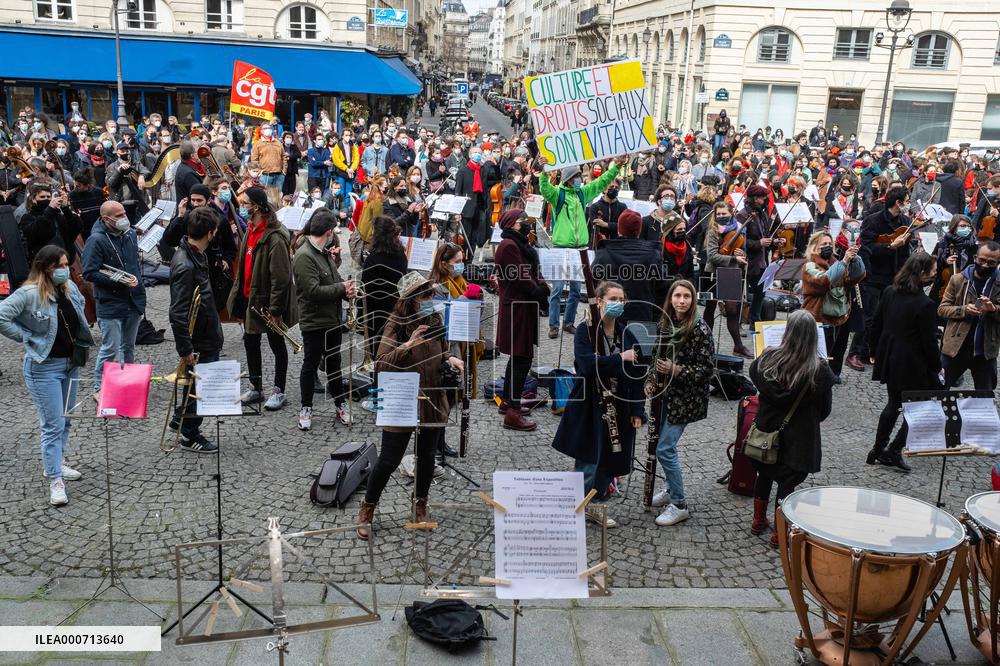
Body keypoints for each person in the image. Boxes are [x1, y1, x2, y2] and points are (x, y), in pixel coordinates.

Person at [356, 272, 464, 540]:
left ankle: (420, 504)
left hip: (433, 394)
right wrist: (408, 344)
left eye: (430, 293)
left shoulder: (435, 317)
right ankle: (367, 509)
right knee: (389, 460)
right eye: (424, 294)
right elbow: (381, 363)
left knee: (427, 455)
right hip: (401, 398)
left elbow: (444, 348)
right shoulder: (395, 323)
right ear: (411, 299)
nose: (430, 298)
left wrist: (451, 359)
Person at [0, 245, 94, 505]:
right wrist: (27, 337)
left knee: (66, 420)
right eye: (61, 266)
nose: (66, 270)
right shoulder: (29, 294)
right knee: (52, 424)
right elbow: (2, 315)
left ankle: (56, 463)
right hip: (43, 368)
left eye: (67, 265)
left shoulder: (70, 288)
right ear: (46, 268)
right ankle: (55, 479)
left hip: (70, 364)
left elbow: (80, 311)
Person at [552, 280, 642, 528]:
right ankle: (583, 505)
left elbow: (637, 374)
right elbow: (587, 366)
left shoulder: (627, 333)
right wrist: (618, 358)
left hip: (619, 405)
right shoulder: (585, 331)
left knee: (611, 459)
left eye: (622, 300)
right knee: (590, 457)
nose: (618, 304)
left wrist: (637, 410)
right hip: (590, 404)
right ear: (599, 302)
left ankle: (595, 501)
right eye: (613, 299)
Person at [749, 309, 834, 545]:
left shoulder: (767, 359)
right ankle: (778, 533)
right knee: (787, 483)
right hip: (799, 439)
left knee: (764, 474)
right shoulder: (820, 370)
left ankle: (758, 520)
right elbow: (825, 411)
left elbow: (755, 376)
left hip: (767, 435)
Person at [644, 279, 715, 527]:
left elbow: (707, 370)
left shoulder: (700, 328)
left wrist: (676, 369)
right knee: (659, 444)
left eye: (686, 296)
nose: (681, 301)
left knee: (664, 448)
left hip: (685, 399)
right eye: (677, 296)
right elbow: (655, 354)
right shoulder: (666, 321)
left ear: (693, 299)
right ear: (671, 298)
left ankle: (680, 503)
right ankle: (669, 489)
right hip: (665, 395)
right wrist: (650, 379)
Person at [868, 252, 940, 472]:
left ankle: (878, 449)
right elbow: (929, 343)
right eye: (933, 271)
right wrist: (937, 367)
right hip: (913, 364)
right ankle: (894, 449)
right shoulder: (925, 304)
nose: (935, 275)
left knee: (893, 403)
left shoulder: (890, 292)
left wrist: (874, 350)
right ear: (922, 274)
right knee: (920, 409)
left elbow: (876, 323)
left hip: (891, 357)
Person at [228, 187, 296, 411]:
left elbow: (281, 277)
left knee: (277, 344)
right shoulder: (250, 229)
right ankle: (256, 386)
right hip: (251, 299)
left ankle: (279, 390)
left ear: (256, 207)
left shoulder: (275, 238)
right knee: (250, 342)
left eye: (245, 203)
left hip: (268, 302)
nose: (242, 206)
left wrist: (276, 310)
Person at [539, 157, 623, 338]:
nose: (580, 179)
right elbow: (544, 188)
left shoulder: (582, 193)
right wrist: (545, 170)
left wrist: (617, 167)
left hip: (580, 250)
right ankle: (554, 325)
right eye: (577, 176)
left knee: (576, 290)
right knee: (557, 289)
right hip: (561, 248)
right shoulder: (557, 195)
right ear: (569, 178)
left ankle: (568, 322)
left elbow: (602, 182)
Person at [165, 206, 223, 453]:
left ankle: (181, 418)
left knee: (195, 384)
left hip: (206, 333)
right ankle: (189, 434)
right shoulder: (186, 264)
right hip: (200, 340)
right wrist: (185, 349)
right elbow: (177, 313)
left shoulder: (195, 254)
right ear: (211, 233)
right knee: (201, 387)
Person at [292, 210, 356, 431]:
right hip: (314, 322)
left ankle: (340, 404)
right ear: (328, 232)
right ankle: (306, 407)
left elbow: (334, 280)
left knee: (334, 365)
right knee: (310, 365)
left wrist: (346, 290)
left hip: (331, 320)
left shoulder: (323, 252)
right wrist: (341, 288)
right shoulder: (304, 256)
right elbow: (312, 291)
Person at [81, 201, 145, 395]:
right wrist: (120, 281)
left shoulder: (130, 234)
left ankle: (128, 384)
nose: (124, 218)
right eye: (119, 216)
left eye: (124, 213)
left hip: (133, 300)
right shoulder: (96, 240)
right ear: (106, 219)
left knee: (129, 347)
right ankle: (100, 388)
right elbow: (89, 273)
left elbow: (134, 263)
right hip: (110, 303)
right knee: (110, 349)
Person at [494, 209, 549, 431]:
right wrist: (540, 289)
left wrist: (541, 284)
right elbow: (520, 276)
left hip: (523, 306)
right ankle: (513, 412)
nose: (526, 224)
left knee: (519, 356)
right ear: (511, 225)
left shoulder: (518, 244)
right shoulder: (508, 245)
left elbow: (532, 272)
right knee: (523, 357)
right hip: (518, 307)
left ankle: (508, 402)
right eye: (521, 221)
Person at [800, 231, 865, 379]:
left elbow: (854, 278)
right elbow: (824, 281)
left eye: (830, 244)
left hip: (840, 314)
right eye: (823, 244)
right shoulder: (809, 266)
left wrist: (855, 259)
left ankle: (834, 373)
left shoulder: (837, 263)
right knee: (821, 350)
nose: (828, 247)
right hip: (819, 315)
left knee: (839, 348)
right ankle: (816, 376)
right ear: (814, 247)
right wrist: (843, 262)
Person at [858, 187, 912, 364]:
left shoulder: (905, 221)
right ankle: (859, 352)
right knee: (870, 316)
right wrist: (890, 247)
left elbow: (905, 252)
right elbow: (867, 249)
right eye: (907, 199)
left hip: (894, 276)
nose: (909, 203)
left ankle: (879, 352)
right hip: (874, 275)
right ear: (898, 202)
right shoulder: (873, 221)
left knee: (888, 316)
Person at [938, 241, 1000, 390]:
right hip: (955, 347)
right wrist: (964, 310)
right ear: (975, 258)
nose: (985, 265)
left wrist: (993, 310)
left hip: (985, 350)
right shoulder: (958, 279)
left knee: (985, 395)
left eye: (991, 262)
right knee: (938, 388)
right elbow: (942, 309)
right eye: (982, 260)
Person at [592, 208, 666, 327]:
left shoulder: (604, 253)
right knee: (640, 345)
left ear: (619, 229)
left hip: (610, 314)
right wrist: (656, 315)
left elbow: (593, 284)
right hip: (643, 315)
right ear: (638, 231)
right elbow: (661, 288)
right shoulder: (653, 254)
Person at [703, 200, 753, 357]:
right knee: (710, 307)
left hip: (731, 273)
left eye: (724, 214)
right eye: (718, 214)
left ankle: (738, 346)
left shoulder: (739, 229)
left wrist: (741, 256)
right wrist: (733, 259)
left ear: (731, 213)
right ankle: (706, 343)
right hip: (713, 273)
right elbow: (712, 256)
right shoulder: (713, 231)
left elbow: (743, 252)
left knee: (732, 310)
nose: (721, 216)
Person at [932, 214, 979, 301]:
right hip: (944, 286)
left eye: (969, 226)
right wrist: (945, 261)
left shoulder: (974, 247)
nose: (967, 229)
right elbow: (932, 267)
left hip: (968, 287)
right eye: (963, 226)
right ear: (954, 227)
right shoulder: (942, 244)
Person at [251, 122, 288, 195]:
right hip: (265, 175)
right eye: (265, 128)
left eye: (269, 128)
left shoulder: (278, 142)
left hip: (279, 175)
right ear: (261, 131)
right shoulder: (258, 144)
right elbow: (254, 160)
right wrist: (259, 172)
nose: (268, 130)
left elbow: (283, 156)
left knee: (277, 196)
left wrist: (284, 171)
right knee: (265, 196)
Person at [331, 128, 359, 203]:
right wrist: (346, 168)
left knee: (349, 192)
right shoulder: (338, 145)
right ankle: (341, 207)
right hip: (341, 172)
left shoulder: (353, 145)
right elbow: (336, 159)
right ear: (342, 136)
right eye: (346, 135)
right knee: (341, 191)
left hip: (351, 171)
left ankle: (347, 207)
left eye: (349, 135)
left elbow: (356, 158)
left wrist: (352, 168)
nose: (348, 137)